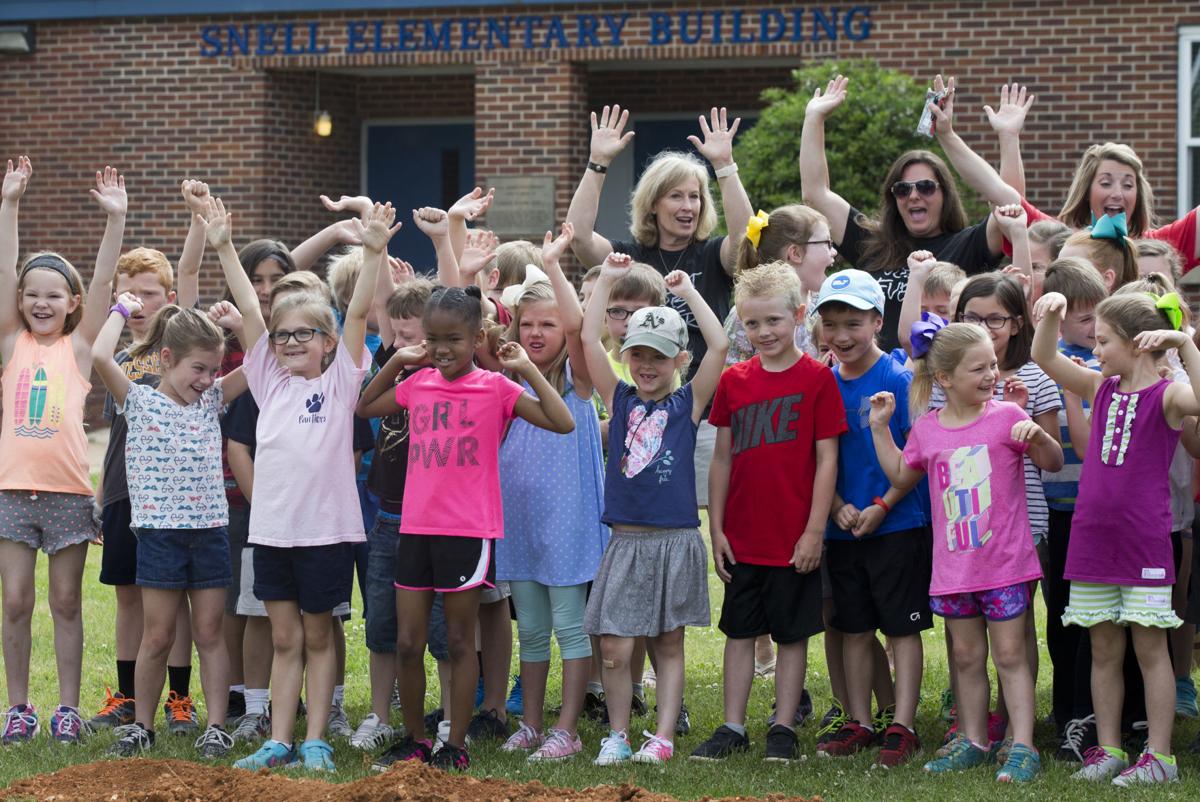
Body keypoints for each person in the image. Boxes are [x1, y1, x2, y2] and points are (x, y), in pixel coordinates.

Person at [356, 282, 575, 772]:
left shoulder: (495, 387)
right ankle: (415, 739)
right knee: (409, 643)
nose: (441, 349)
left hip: (467, 532)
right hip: (415, 529)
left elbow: (561, 421)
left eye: (453, 339)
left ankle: (453, 743)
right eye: (434, 340)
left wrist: (525, 370)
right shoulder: (419, 382)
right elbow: (366, 406)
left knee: (458, 642)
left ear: (477, 336)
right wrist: (399, 360)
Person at [208, 198, 392, 773]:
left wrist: (374, 248)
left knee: (318, 638)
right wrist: (220, 245)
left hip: (326, 534)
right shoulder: (267, 379)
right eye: (282, 335)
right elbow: (249, 307)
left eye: (304, 335)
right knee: (284, 640)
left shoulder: (340, 383)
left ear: (328, 341)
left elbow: (359, 312)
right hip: (273, 534)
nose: (289, 342)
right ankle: (279, 739)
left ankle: (316, 738)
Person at [872, 320, 1062, 783]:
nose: (991, 374)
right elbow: (901, 476)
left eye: (993, 364)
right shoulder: (928, 430)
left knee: (1012, 656)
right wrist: (880, 429)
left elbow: (1053, 463)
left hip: (1006, 566)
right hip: (956, 570)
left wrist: (1038, 437)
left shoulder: (1008, 417)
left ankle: (1022, 744)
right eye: (978, 368)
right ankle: (974, 740)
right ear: (945, 379)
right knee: (966, 658)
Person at [1032, 289, 1200, 785]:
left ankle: (1161, 757)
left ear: (1138, 343)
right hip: (1093, 541)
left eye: (1104, 341)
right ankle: (1107, 749)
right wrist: (1054, 309)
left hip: (1143, 544)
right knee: (1103, 650)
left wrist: (1183, 342)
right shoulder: (1098, 387)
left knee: (1151, 650)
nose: (1096, 351)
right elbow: (1044, 356)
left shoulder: (1168, 395)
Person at [689, 261, 843, 764]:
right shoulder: (734, 381)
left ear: (800, 314)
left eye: (773, 321)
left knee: (791, 632)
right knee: (739, 630)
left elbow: (827, 460)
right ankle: (732, 725)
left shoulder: (818, 379)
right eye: (751, 323)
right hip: (744, 533)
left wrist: (814, 531)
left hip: (793, 534)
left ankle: (783, 726)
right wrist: (717, 528)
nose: (763, 332)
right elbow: (722, 456)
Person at [567, 105, 753, 518]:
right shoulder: (629, 257)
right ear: (653, 203)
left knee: (710, 520)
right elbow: (578, 237)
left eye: (695, 197)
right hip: (641, 411)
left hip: (704, 415)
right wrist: (598, 163)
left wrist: (725, 166)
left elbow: (745, 241)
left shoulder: (711, 252)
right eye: (676, 196)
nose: (688, 205)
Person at [581, 253, 728, 766]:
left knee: (667, 645)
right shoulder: (618, 398)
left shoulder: (686, 404)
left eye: (659, 356)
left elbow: (722, 344)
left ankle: (662, 736)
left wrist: (688, 293)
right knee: (616, 649)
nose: (647, 365)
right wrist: (605, 278)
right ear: (623, 354)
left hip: (673, 540)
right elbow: (585, 339)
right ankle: (618, 735)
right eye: (637, 354)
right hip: (626, 541)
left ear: (679, 361)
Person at [0, 160, 125, 745]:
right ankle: (19, 707)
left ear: (72, 303)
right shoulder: (11, 344)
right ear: (20, 300)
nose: (41, 303)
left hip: (70, 493)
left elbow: (102, 284)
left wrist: (115, 221)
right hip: (11, 493)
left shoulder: (78, 350)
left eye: (54, 295)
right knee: (17, 602)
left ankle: (68, 709)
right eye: (32, 295)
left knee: (67, 603)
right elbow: (6, 269)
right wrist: (10, 205)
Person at [93, 297, 249, 760]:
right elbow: (102, 356)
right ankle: (142, 725)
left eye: (212, 370)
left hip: (209, 534)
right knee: (157, 636)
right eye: (197, 370)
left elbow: (260, 360)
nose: (205, 381)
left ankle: (217, 726)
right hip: (159, 536)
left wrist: (240, 324)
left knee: (209, 633)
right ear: (166, 359)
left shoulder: (212, 400)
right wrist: (120, 310)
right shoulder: (136, 401)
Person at [495, 224, 609, 762]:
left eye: (549, 325)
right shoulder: (506, 378)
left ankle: (568, 727)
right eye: (527, 324)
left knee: (570, 627)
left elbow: (582, 326)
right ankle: (532, 723)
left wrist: (555, 265)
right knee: (533, 630)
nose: (537, 334)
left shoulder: (577, 383)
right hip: (519, 521)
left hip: (569, 521)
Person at [91, 217, 205, 738]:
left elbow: (190, 271)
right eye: (129, 295)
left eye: (148, 294)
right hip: (122, 494)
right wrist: (99, 494)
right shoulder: (121, 358)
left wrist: (199, 224)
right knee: (128, 596)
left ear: (170, 297)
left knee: (172, 598)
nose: (138, 304)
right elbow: (115, 438)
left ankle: (179, 699)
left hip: (173, 501)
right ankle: (127, 694)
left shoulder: (179, 358)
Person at [812, 269, 929, 767]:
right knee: (855, 627)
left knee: (901, 629)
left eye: (853, 323)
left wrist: (882, 507)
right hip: (845, 528)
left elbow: (918, 460)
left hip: (898, 524)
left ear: (877, 321)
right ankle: (860, 719)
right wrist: (837, 504)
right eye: (831, 324)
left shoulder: (899, 379)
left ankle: (901, 723)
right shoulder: (822, 383)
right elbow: (819, 457)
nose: (841, 336)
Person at [800, 75, 1005, 352]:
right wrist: (814, 118)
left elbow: (1008, 205)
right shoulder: (873, 242)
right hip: (878, 380)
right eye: (902, 189)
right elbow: (815, 194)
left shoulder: (967, 244)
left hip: (945, 380)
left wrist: (948, 135)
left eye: (926, 187)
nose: (914, 195)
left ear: (946, 194)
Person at [350, 276, 436, 753]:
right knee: (382, 623)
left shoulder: (448, 378)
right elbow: (364, 407)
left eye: (413, 336)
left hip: (436, 522)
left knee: (439, 629)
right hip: (389, 517)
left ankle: (439, 717)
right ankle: (381, 714)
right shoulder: (393, 367)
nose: (403, 345)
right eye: (397, 336)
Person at [1036, 258, 1108, 756]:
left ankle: (1093, 712)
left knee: (1093, 622)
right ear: (1059, 320)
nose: (1096, 328)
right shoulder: (1049, 368)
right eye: (1086, 320)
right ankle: (1066, 714)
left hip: (1098, 514)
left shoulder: (1107, 366)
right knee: (1060, 617)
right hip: (1059, 513)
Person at [724, 205, 836, 364]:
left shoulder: (824, 306)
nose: (834, 252)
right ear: (795, 253)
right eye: (828, 243)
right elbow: (731, 378)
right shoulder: (746, 312)